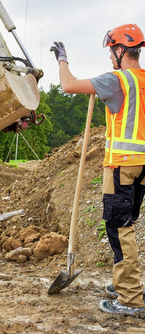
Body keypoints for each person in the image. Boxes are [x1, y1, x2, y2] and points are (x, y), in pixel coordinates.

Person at [51, 24, 145, 315]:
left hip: (121, 165)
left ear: (120, 50)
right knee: (126, 224)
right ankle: (124, 283)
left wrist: (62, 60)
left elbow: (68, 85)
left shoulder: (117, 80)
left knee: (120, 229)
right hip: (142, 165)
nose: (109, 57)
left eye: (110, 51)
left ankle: (130, 298)